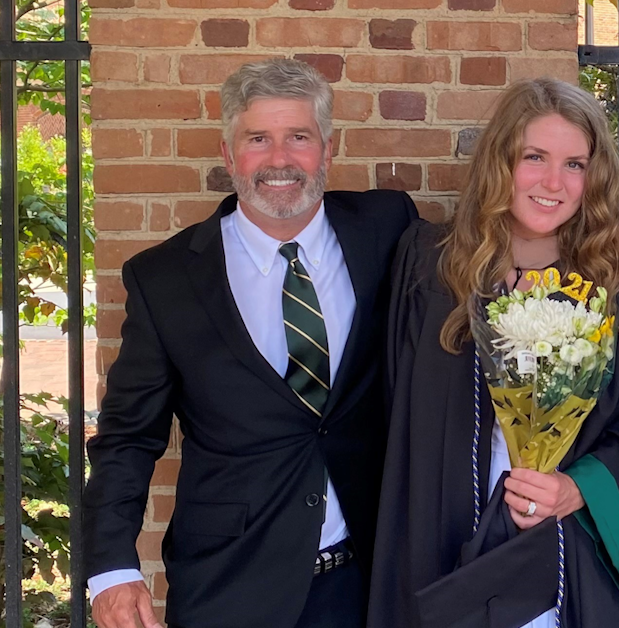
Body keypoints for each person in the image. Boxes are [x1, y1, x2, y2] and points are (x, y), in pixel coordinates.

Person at [82, 59, 419, 628]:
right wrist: (112, 568)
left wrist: (617, 246)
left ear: (328, 150)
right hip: (230, 585)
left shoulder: (387, 228)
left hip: (368, 583)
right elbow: (128, 438)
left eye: (299, 138)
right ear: (227, 152)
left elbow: (487, 254)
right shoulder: (165, 279)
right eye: (258, 138)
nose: (280, 160)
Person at [367, 78, 619, 628]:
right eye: (534, 157)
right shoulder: (430, 269)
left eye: (575, 164)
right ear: (499, 162)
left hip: (560, 559)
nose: (554, 182)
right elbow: (395, 412)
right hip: (441, 544)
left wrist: (578, 489)